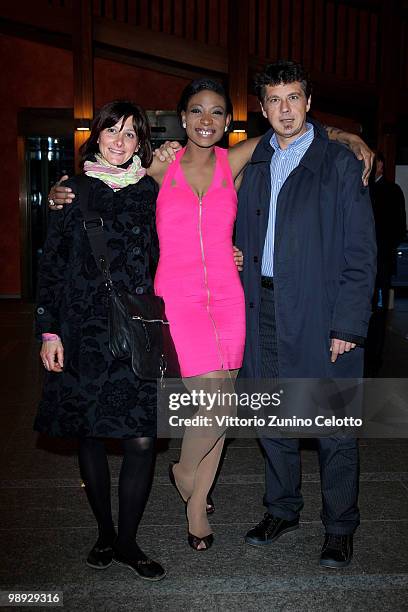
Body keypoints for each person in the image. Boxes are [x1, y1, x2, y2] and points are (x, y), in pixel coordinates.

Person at [48, 79, 374, 553]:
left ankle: (194, 492)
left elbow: (296, 128)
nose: (206, 120)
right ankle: (188, 484)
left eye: (217, 113)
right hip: (177, 299)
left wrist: (352, 137)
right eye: (197, 111)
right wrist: (64, 191)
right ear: (181, 119)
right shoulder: (158, 168)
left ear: (229, 122)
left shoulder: (235, 160)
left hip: (229, 296)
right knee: (216, 403)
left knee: (226, 398)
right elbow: (106, 183)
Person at [235, 60, 377, 568]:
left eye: (293, 98)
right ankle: (282, 508)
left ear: (309, 102)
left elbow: (362, 255)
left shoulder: (339, 163)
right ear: (263, 107)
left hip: (321, 311)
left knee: (333, 425)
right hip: (263, 307)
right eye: (274, 100)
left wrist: (348, 326)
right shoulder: (251, 163)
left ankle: (339, 526)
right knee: (270, 416)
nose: (284, 109)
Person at [35, 100, 166, 581]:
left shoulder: (151, 192)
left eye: (131, 134)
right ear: (97, 136)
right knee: (88, 433)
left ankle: (129, 541)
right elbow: (49, 266)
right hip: (81, 330)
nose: (120, 140)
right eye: (113, 130)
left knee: (140, 440)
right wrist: (48, 330)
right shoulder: (71, 191)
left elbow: (177, 247)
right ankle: (105, 532)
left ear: (140, 144)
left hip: (135, 332)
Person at [364, 152, 407, 376]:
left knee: (378, 313)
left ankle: (375, 359)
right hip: (363, 263)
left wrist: (382, 248)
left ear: (379, 164)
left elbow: (399, 227)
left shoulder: (392, 191)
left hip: (380, 263)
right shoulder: (362, 187)